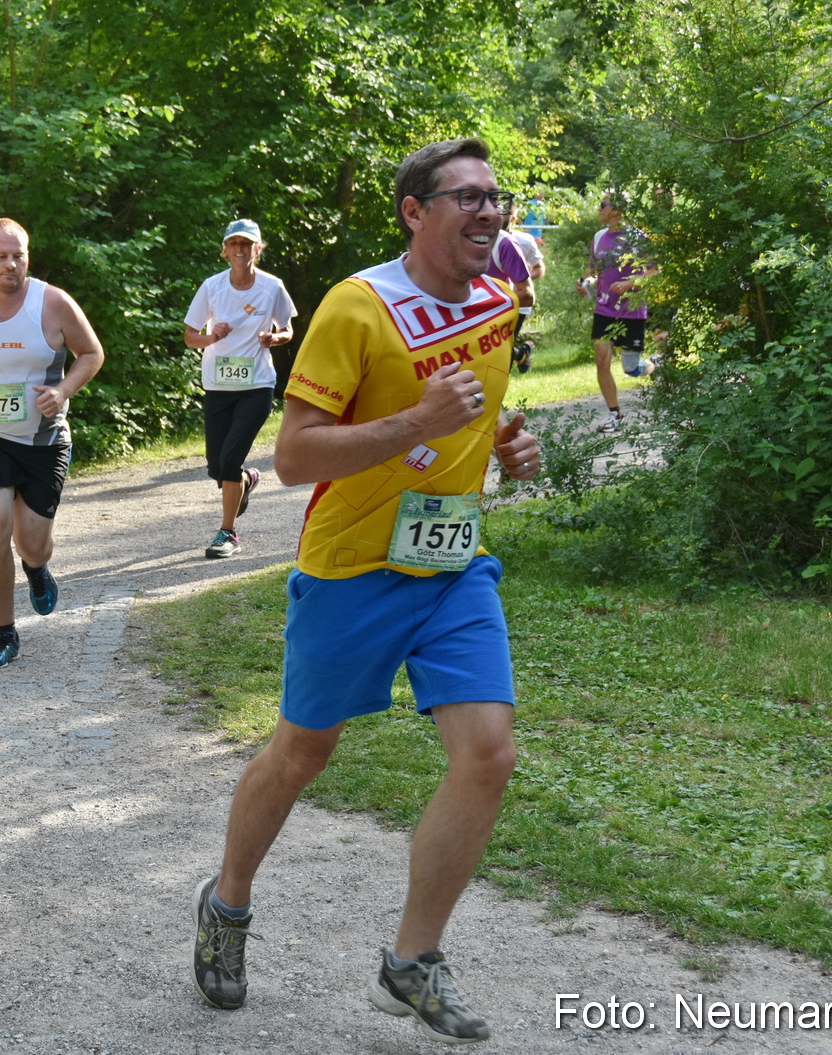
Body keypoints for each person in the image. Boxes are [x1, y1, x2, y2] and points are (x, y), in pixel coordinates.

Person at [190, 138, 542, 1044]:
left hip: (455, 566)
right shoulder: (359, 306)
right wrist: (416, 422)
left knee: (489, 753)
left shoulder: (500, 301)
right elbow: (295, 454)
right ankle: (227, 906)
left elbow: (481, 405)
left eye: (495, 198)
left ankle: (411, 962)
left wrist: (504, 442)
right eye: (465, 197)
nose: (488, 212)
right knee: (302, 753)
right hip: (352, 569)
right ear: (414, 212)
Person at [0, 218, 105, 669]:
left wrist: (63, 391)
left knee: (31, 542)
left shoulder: (53, 303)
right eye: (3, 256)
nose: (12, 264)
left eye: (20, 255)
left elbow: (92, 353)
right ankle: (4, 634)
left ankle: (35, 567)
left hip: (43, 440)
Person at [182, 219, 297, 558]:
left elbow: (287, 329)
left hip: (257, 384)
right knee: (217, 467)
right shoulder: (212, 287)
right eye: (234, 244)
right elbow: (190, 337)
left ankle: (227, 532)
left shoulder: (272, 287)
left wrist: (273, 338)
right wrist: (211, 336)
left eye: (247, 244)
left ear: (256, 250)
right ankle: (246, 481)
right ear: (225, 250)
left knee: (230, 459)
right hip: (218, 385)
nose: (240, 249)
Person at [578, 192, 658, 432]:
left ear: (618, 209)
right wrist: (587, 282)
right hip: (604, 309)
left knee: (631, 369)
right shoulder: (598, 237)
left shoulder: (637, 237)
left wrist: (628, 284)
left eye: (603, 204)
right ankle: (615, 415)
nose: (599, 209)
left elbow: (653, 273)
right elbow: (594, 270)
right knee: (602, 360)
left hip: (631, 310)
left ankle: (654, 365)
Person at [500, 223, 543, 375]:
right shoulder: (483, 238)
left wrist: (522, 282)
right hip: (494, 302)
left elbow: (539, 268)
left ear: (513, 218)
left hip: (519, 302)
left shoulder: (524, 240)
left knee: (503, 345)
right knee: (500, 345)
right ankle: (521, 354)